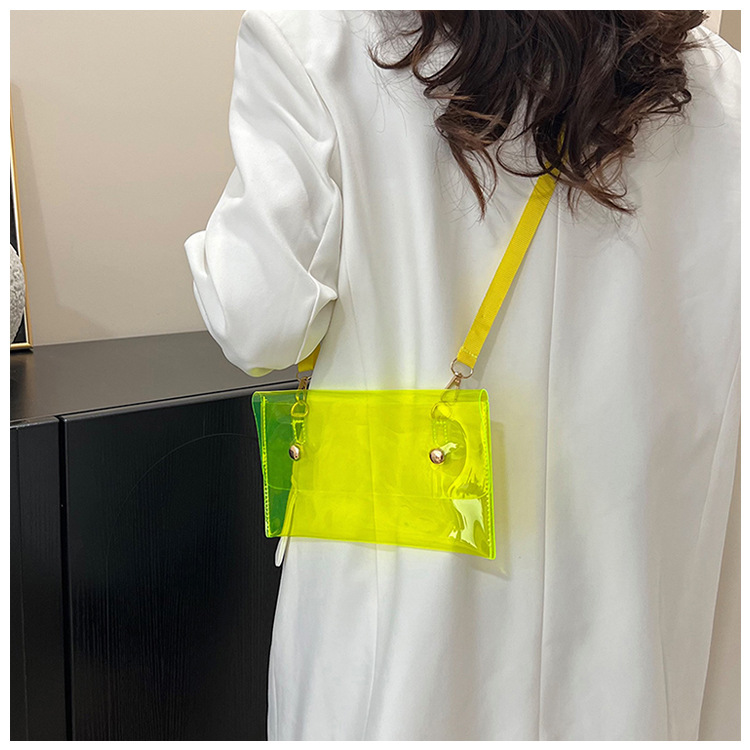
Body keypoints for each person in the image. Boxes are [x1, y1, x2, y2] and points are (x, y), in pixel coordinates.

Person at [184, 10, 740, 741]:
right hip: (635, 622)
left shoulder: (320, 36)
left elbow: (258, 320)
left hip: (404, 630)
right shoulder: (720, 80)